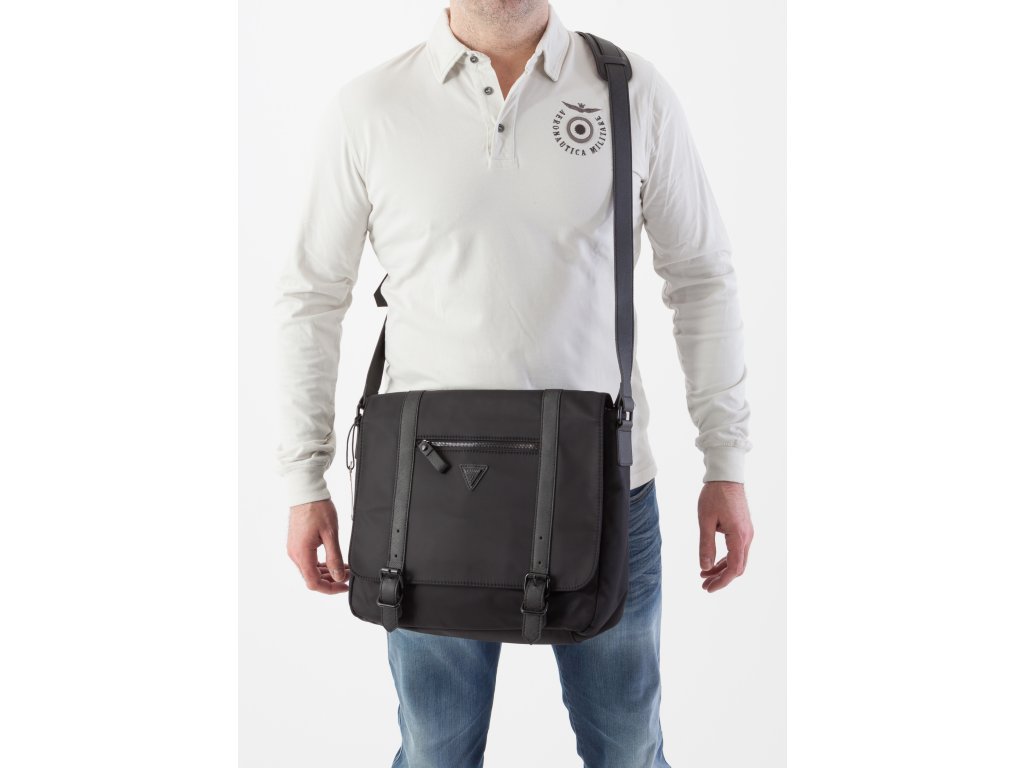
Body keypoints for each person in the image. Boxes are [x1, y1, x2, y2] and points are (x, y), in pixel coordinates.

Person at [276, 2, 754, 765]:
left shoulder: (630, 90)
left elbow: (702, 279)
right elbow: (311, 296)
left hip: (604, 488)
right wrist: (304, 479)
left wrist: (725, 463)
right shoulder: (370, 107)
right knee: (434, 752)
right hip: (427, 501)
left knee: (628, 747)